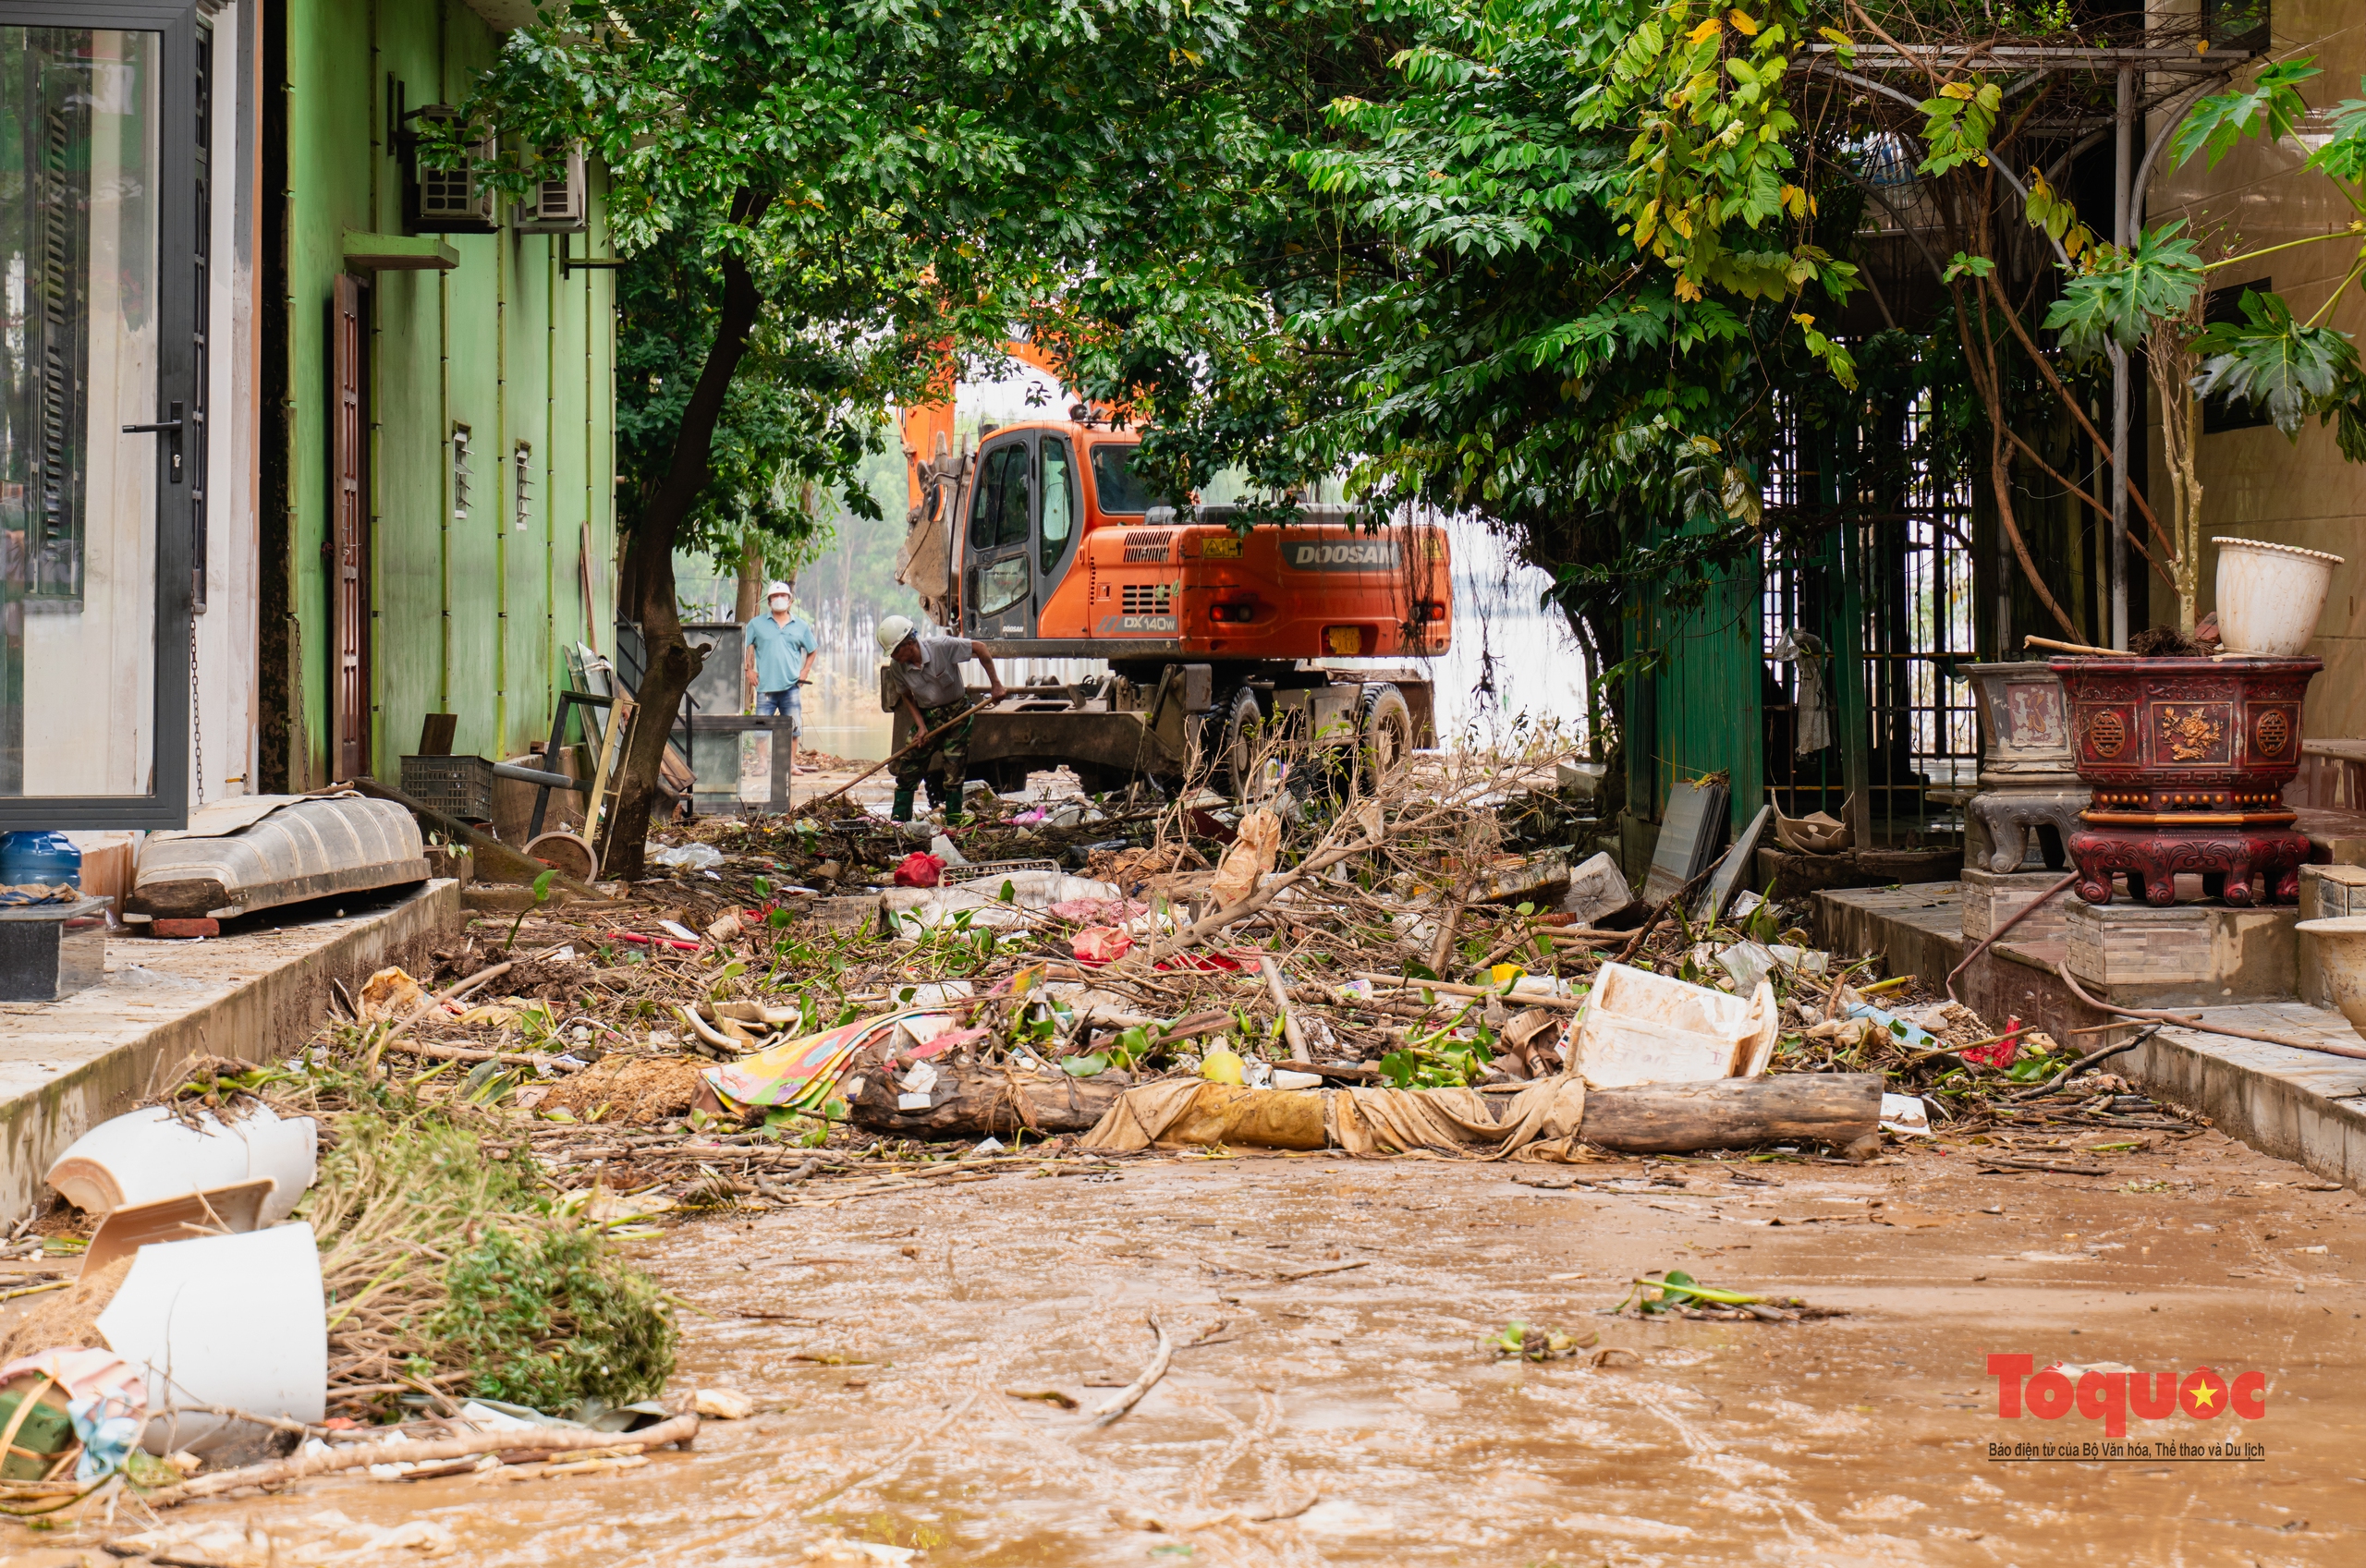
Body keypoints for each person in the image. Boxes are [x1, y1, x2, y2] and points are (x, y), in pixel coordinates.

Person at [875, 614, 1005, 822]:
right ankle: (899, 823)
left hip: (958, 714)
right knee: (908, 767)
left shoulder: (941, 646)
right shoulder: (898, 667)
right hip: (929, 715)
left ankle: (953, 824)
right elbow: (906, 695)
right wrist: (920, 726)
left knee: (954, 771)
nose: (894, 657)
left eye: (896, 651)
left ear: (909, 644)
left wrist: (996, 684)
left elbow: (980, 648)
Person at [743, 581, 819, 773]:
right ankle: (762, 764)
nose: (779, 600)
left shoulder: (800, 626)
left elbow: (813, 649)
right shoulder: (757, 624)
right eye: (775, 597)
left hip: (791, 686)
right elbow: (743, 644)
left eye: (783, 596)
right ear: (769, 602)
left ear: (790, 601)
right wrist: (748, 669)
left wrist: (805, 671)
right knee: (761, 728)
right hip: (765, 687)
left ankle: (790, 765)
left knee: (793, 728)